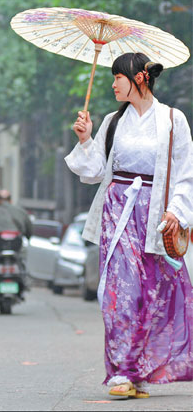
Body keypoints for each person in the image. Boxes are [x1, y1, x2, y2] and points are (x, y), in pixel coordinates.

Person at [65, 53, 193, 398]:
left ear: (138, 77)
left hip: (154, 217)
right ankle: (120, 372)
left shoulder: (172, 119)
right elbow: (93, 172)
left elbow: (185, 173)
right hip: (117, 214)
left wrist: (176, 212)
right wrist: (85, 139)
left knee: (152, 295)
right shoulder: (111, 121)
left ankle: (136, 369)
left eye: (117, 77)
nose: (112, 84)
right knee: (119, 292)